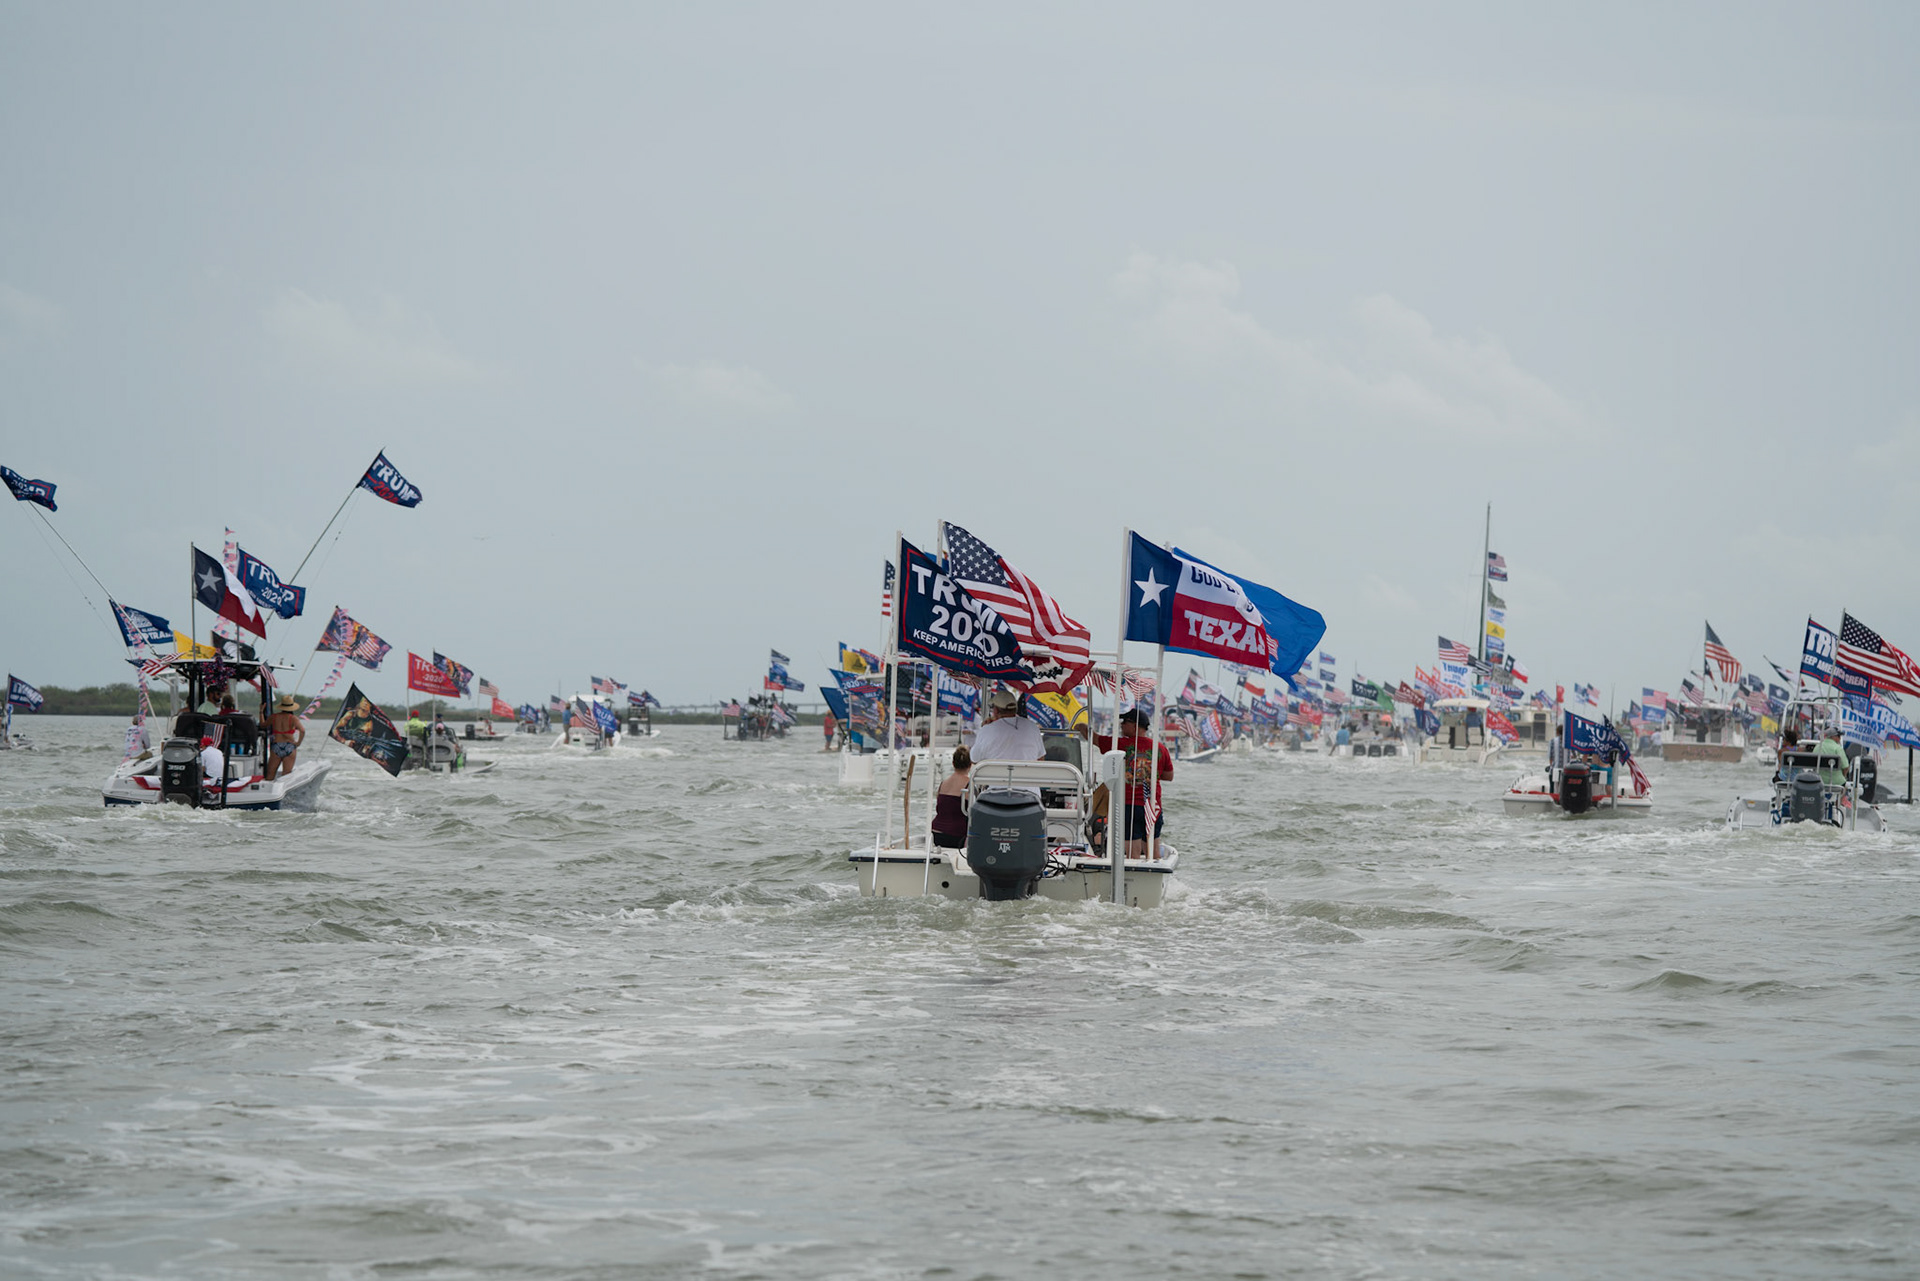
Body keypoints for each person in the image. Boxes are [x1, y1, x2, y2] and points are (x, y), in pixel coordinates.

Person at [1094, 706, 1175, 860]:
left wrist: (1081, 727)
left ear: (1135, 725)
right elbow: (1169, 775)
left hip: (1129, 805)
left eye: (1125, 722)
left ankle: (1133, 881)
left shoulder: (1121, 744)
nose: (1122, 725)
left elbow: (1096, 740)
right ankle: (1153, 881)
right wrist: (1151, 774)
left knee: (1133, 854)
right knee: (1154, 851)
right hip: (1152, 804)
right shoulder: (1160, 748)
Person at [969, 689, 1045, 763]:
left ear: (996, 710)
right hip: (1026, 775)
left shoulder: (987, 730)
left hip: (995, 775)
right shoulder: (1033, 727)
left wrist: (984, 728)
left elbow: (974, 759)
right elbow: (1040, 758)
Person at [932, 746, 972, 848]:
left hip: (936, 833)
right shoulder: (969, 785)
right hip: (957, 835)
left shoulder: (943, 784)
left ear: (953, 764)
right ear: (970, 765)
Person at [263, 694, 305, 780]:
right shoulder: (293, 718)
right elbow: (302, 730)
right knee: (286, 776)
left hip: (276, 745)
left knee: (270, 774)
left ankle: (268, 791)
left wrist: (260, 712)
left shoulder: (274, 717)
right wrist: (298, 743)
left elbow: (263, 725)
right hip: (289, 746)